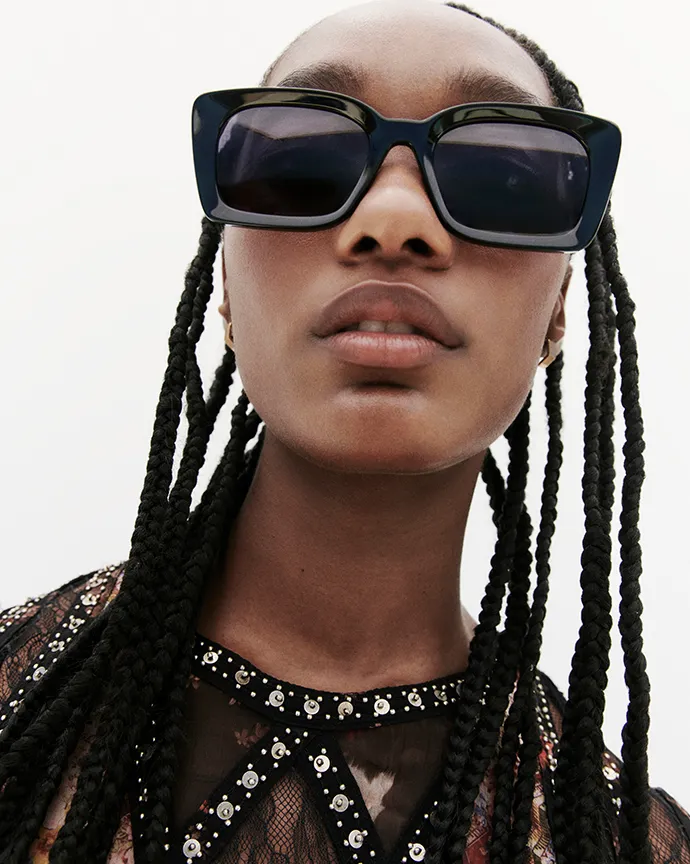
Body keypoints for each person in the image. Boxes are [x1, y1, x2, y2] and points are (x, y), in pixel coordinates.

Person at [0, 1, 688, 862]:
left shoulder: (624, 842)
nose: (394, 221)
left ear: (557, 311)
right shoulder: (18, 704)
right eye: (301, 165)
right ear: (226, 284)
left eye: (502, 178)